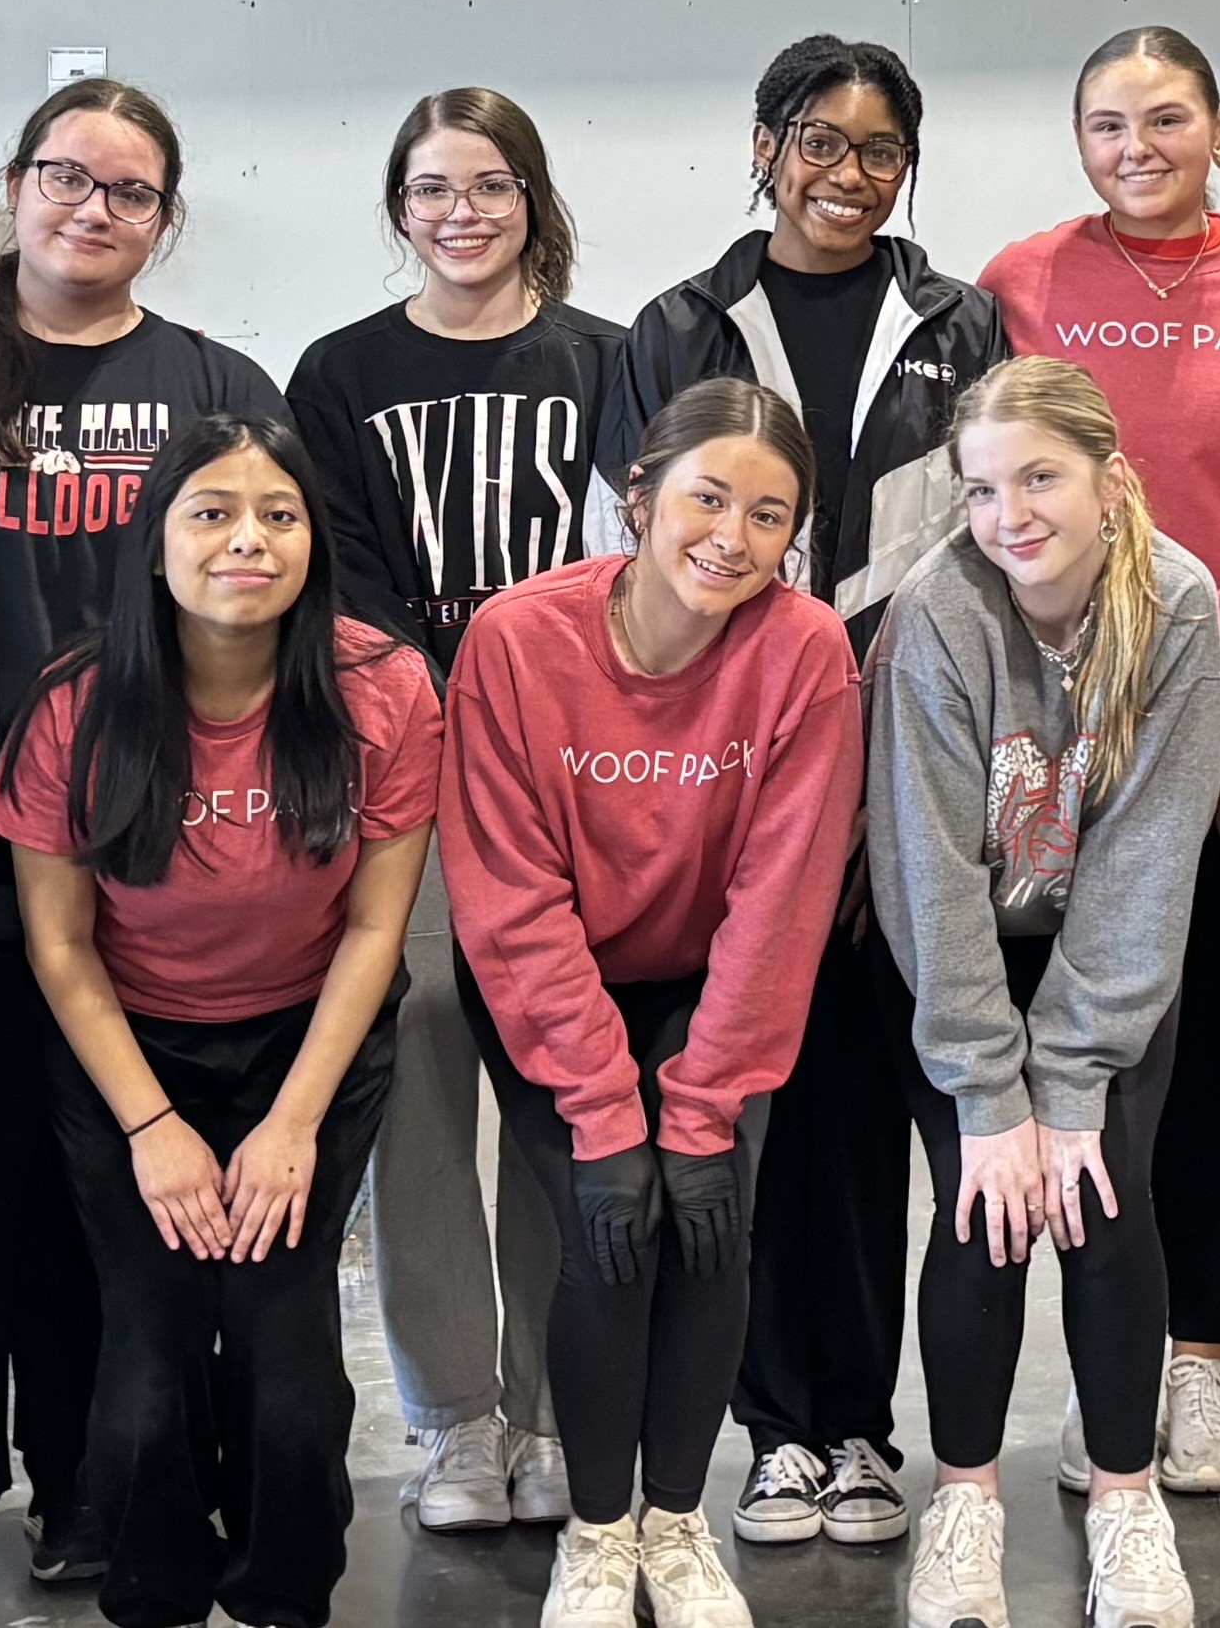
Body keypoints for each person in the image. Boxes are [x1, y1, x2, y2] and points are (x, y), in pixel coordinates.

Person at [0, 75, 289, 1598]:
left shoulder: (217, 380)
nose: (93, 208)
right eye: (68, 176)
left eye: (130, 190)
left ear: (165, 218)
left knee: (100, 1193)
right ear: (14, 186)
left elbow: (261, 588)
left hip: (140, 849)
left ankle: (96, 1480)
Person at [592, 34, 1008, 1557]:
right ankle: (774, 1432)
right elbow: (635, 547)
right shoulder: (679, 324)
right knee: (749, 1107)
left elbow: (988, 537)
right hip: (733, 769)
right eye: (816, 139)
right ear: (761, 143)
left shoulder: (962, 322)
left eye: (880, 146)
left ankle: (863, 1426)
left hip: (902, 764)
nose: (846, 171)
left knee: (861, 1124)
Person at [978, 28, 1220, 1496]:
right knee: (1090, 1055)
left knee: (1201, 1066)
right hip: (1055, 738)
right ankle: (1104, 1377)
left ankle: (1195, 1363)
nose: (1138, 145)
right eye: (1107, 122)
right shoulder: (1020, 278)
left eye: (1168, 118)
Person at [0, 413, 443, 1628]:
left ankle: (284, 1592)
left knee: (285, 1353)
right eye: (212, 513)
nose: (249, 539)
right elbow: (58, 945)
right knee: (146, 1357)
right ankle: (153, 1592)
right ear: (154, 545)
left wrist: (292, 1123)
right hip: (128, 1055)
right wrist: (150, 1124)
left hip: (310, 1047)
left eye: (279, 516)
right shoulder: (73, 706)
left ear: (313, 541)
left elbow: (371, 932)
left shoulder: (385, 688)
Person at [446, 382, 871, 1628]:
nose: (731, 537)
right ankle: (597, 1526)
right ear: (638, 498)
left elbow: (782, 897)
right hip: (551, 977)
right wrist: (602, 1106)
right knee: (607, 1225)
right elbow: (511, 894)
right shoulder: (519, 640)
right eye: (707, 496)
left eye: (769, 513)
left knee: (708, 1220)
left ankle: (677, 1524)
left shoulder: (805, 652)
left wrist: (699, 1109)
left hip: (709, 983)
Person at [290, 87, 628, 1537]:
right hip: (412, 776)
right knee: (421, 1074)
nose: (461, 212)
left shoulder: (616, 359)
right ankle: (454, 1418)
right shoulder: (339, 369)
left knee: (563, 1080)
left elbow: (637, 564)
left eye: (489, 184)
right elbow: (344, 577)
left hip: (574, 782)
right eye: (432, 188)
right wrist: (445, 706)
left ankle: (550, 1408)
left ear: (532, 196)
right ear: (400, 207)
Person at [864, 359, 1220, 1628]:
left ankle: (1126, 1500)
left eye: (1039, 479)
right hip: (956, 955)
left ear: (1110, 483)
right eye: (981, 490)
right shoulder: (936, 613)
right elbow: (925, 867)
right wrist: (986, 1084)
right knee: (983, 1204)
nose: (1010, 514)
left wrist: (1069, 1083)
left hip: (1107, 958)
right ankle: (965, 1502)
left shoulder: (1178, 604)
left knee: (1099, 1193)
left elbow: (1147, 853)